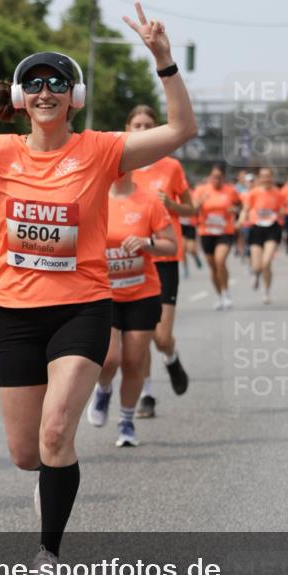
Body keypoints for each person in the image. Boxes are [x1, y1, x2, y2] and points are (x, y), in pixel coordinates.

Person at [0, 3, 196, 575]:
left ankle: (48, 557)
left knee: (57, 430)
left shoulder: (102, 150)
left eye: (57, 82)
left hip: (82, 306)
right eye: (34, 84)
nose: (45, 91)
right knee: (27, 453)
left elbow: (182, 130)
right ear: (21, 97)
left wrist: (164, 61)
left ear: (73, 97)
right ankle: (50, 478)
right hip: (14, 310)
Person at [87, 170, 176, 446]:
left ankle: (126, 421)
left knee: (134, 362)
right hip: (104, 293)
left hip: (142, 293)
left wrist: (147, 244)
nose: (118, 168)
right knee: (109, 358)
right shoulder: (92, 198)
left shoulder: (148, 201)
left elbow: (170, 245)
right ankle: (103, 389)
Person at [126, 105, 193, 419]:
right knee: (138, 336)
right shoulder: (119, 165)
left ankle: (172, 358)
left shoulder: (172, 167)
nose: (142, 131)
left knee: (161, 336)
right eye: (137, 125)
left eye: (148, 125)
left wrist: (173, 206)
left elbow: (192, 210)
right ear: (128, 129)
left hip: (164, 256)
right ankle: (147, 395)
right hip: (130, 261)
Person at [192, 165, 241, 309]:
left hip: (225, 231)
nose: (216, 180)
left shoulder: (230, 191)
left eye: (219, 177)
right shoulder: (201, 190)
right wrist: (200, 202)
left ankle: (226, 293)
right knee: (213, 267)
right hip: (206, 232)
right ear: (209, 177)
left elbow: (240, 206)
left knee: (220, 261)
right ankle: (220, 296)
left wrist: (236, 212)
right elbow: (193, 209)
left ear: (223, 178)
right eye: (214, 177)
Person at [238, 166, 284, 304]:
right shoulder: (253, 193)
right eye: (263, 176)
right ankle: (257, 275)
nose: (266, 179)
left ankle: (266, 291)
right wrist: (241, 220)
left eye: (268, 176)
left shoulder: (278, 193)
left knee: (266, 262)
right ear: (259, 178)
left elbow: (282, 211)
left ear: (272, 177)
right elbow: (245, 209)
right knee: (257, 266)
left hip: (272, 228)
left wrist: (279, 215)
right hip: (256, 228)